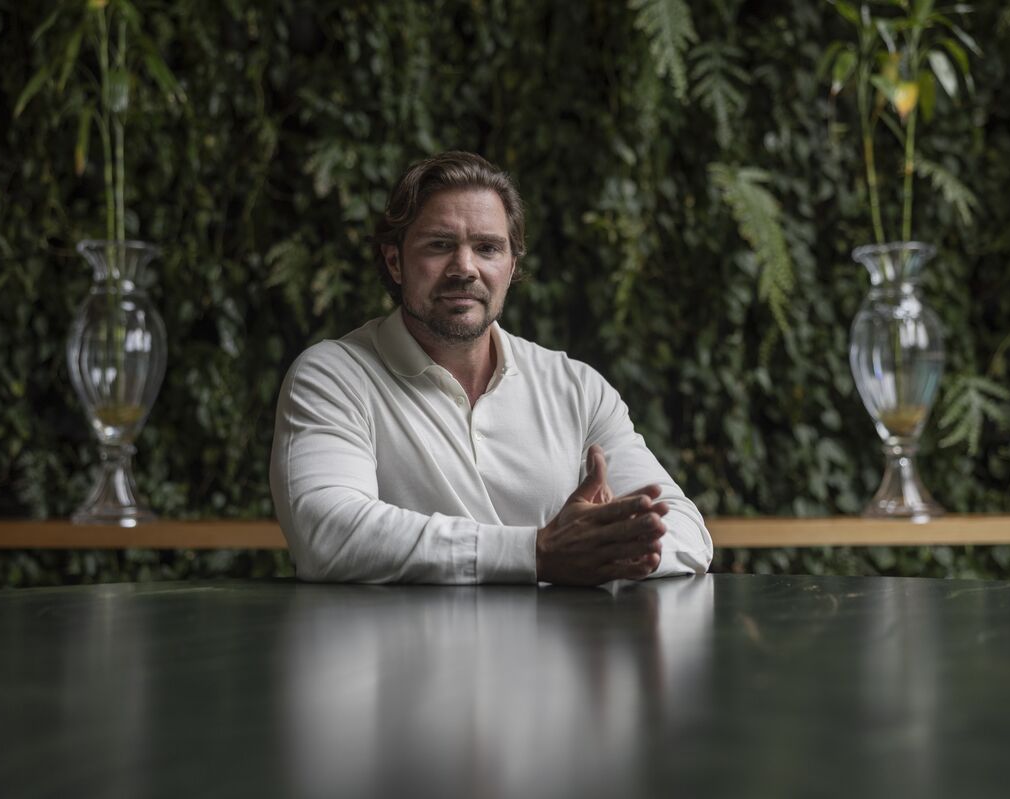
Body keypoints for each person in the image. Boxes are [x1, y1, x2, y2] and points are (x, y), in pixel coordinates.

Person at [270, 151, 712, 585]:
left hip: (554, 639)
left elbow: (686, 529)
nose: (465, 268)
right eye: (440, 245)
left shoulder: (576, 388)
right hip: (402, 638)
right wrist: (538, 553)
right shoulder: (332, 377)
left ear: (511, 266)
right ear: (394, 261)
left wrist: (610, 546)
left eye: (487, 248)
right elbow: (326, 533)